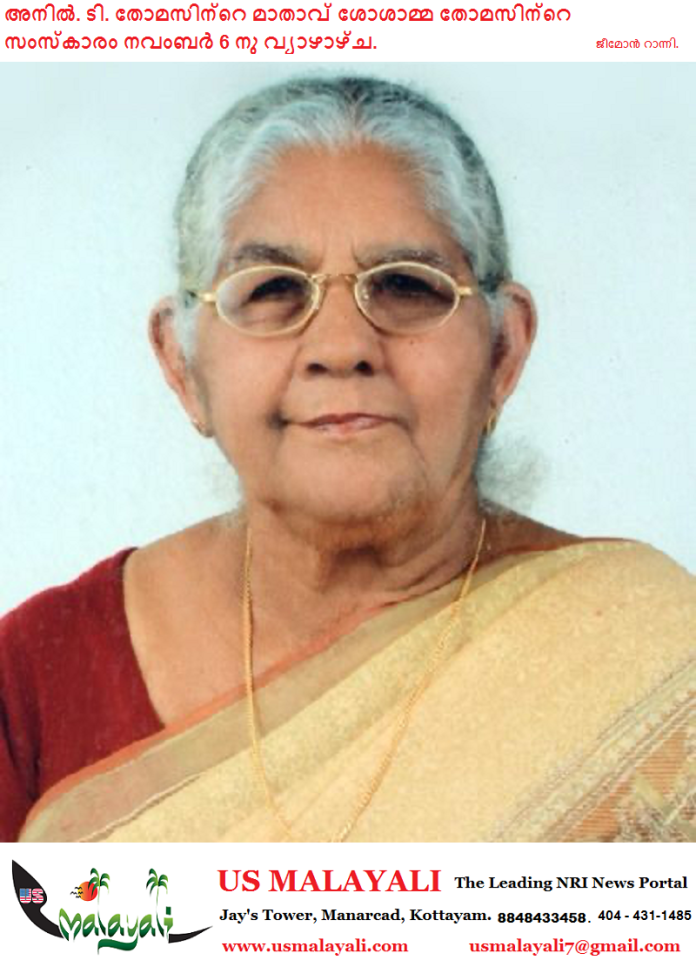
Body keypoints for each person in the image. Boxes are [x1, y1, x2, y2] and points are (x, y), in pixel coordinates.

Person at [1, 76, 693, 843]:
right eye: (272, 289)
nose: (340, 346)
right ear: (182, 363)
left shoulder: (652, 657)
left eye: (407, 286)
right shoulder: (33, 679)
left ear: (503, 349)